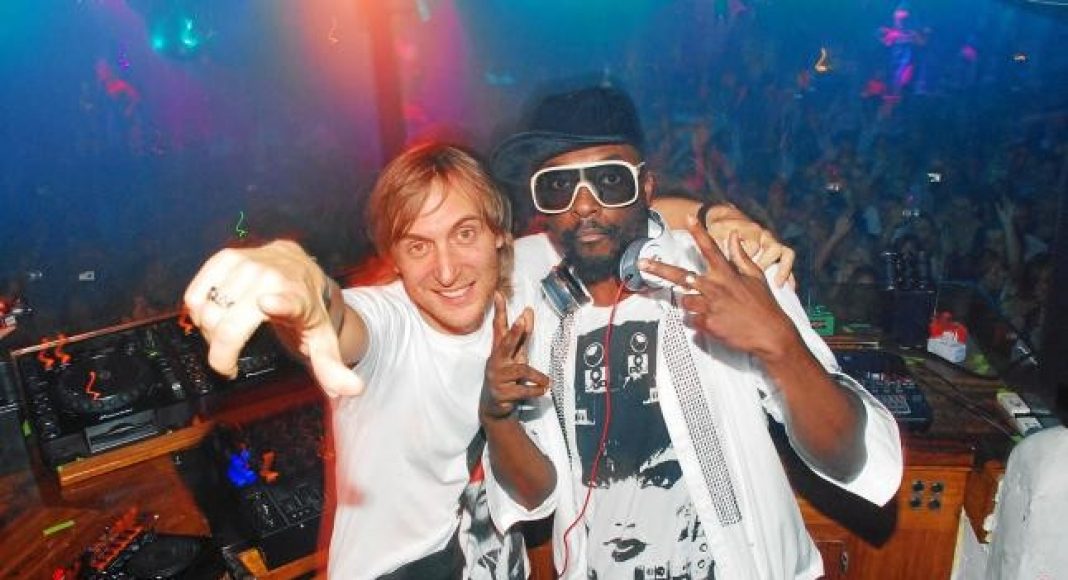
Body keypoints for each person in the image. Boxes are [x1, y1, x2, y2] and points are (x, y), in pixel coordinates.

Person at [183, 141, 790, 579]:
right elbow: (340, 322)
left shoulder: (528, 271)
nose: (447, 270)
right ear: (394, 256)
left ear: (500, 234)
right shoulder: (393, 325)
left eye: (464, 233)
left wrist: (717, 217)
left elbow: (634, 216)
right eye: (418, 246)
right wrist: (303, 290)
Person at [482, 85, 904, 579]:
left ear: (646, 187)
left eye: (609, 180)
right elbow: (534, 495)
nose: (585, 206)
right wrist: (496, 414)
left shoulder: (725, 270)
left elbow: (847, 457)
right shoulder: (529, 294)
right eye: (557, 186)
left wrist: (779, 344)